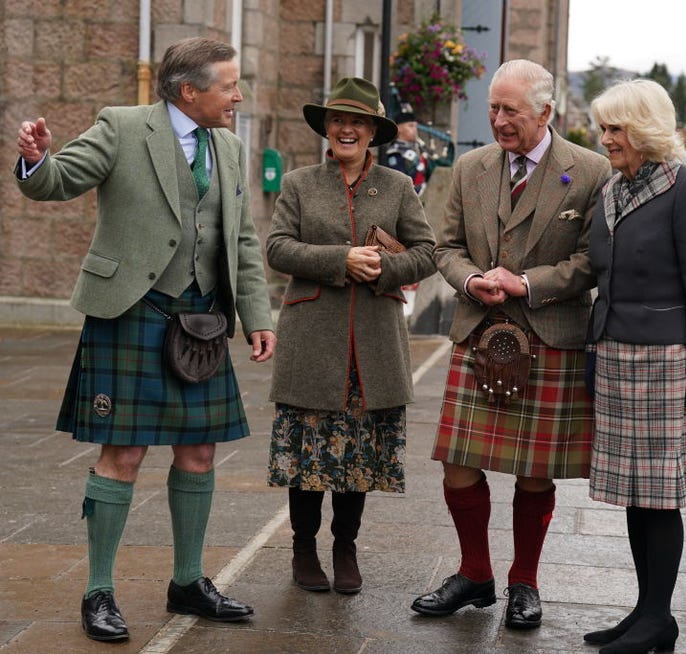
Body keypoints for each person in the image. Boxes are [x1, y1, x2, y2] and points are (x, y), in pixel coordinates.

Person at [13, 37, 276, 642]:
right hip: (130, 312)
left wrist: (259, 315)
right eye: (229, 85)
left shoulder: (230, 148)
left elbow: (241, 241)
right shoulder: (123, 127)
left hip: (203, 320)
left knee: (201, 452)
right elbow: (55, 182)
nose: (238, 96)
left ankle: (188, 581)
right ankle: (98, 591)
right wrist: (36, 158)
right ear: (190, 91)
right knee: (123, 454)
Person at [409, 59, 611, 630]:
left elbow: (591, 261)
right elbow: (444, 247)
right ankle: (475, 573)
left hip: (549, 334)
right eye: (493, 108)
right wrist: (471, 280)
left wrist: (526, 283)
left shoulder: (590, 170)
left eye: (510, 111)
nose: (498, 120)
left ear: (546, 112)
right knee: (457, 462)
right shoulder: (470, 167)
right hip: (479, 331)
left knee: (534, 470)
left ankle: (525, 581)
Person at [265, 78, 436, 595]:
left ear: (372, 132)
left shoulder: (398, 187)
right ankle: (302, 549)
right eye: (339, 121)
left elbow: (427, 253)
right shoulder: (298, 183)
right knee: (308, 456)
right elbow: (276, 248)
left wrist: (382, 267)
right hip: (311, 341)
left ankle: (345, 547)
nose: (347, 129)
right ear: (327, 127)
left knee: (357, 457)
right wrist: (339, 259)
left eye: (358, 122)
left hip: (374, 344)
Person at [583, 79, 686, 654]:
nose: (606, 137)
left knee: (660, 495)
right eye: (604, 127)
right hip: (615, 353)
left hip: (665, 361)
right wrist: (594, 349)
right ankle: (645, 612)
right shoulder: (614, 187)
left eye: (616, 128)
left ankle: (659, 617)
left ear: (643, 129)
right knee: (636, 493)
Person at [381, 102, 432, 195]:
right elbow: (398, 183)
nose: (415, 130)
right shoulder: (395, 153)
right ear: (399, 128)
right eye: (411, 126)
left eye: (415, 126)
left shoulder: (420, 149)